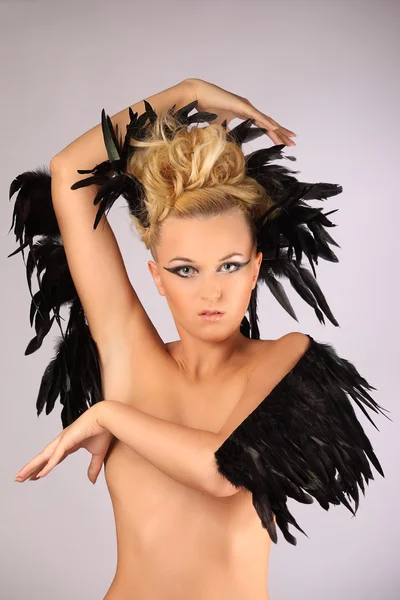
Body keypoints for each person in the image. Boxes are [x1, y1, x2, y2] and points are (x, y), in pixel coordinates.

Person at [10, 78, 389, 600]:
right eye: (185, 270)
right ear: (157, 276)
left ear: (256, 268)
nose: (211, 291)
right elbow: (67, 173)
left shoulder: (285, 359)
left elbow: (222, 469)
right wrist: (188, 93)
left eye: (229, 266)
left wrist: (105, 415)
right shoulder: (129, 353)